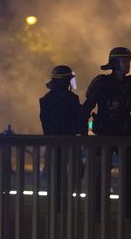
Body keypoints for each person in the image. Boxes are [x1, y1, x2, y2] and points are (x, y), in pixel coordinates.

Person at [40, 65, 81, 212]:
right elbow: (77, 122)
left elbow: (45, 123)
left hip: (52, 142)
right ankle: (64, 202)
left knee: (55, 174)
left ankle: (56, 204)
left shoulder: (46, 99)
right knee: (72, 173)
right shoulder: (71, 99)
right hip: (69, 142)